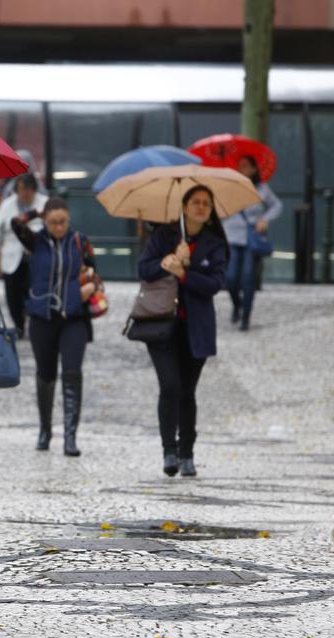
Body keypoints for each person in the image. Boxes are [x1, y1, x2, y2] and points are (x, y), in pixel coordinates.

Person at [137, 185, 228, 478]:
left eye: (206, 203)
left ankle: (187, 451)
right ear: (185, 206)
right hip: (161, 325)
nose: (201, 207)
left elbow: (214, 284)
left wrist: (185, 273)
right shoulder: (164, 235)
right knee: (170, 386)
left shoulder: (214, 244)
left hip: (196, 327)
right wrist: (168, 263)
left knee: (187, 391)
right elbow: (144, 269)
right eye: (195, 202)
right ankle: (169, 451)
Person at [11, 197, 94, 457]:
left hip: (74, 317)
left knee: (72, 372)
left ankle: (71, 436)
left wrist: (90, 287)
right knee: (46, 375)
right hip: (42, 318)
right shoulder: (35, 241)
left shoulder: (80, 241)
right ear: (45, 221)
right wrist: (37, 212)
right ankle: (45, 429)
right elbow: (15, 223)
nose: (59, 226)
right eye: (54, 222)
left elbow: (93, 271)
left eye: (63, 222)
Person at [222, 155, 282, 331]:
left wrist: (264, 219)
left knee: (248, 277)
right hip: (232, 236)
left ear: (254, 169)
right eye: (240, 166)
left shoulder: (262, 189)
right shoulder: (229, 187)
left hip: (252, 238)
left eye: (246, 166)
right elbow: (219, 210)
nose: (243, 169)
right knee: (230, 277)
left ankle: (246, 317)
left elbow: (277, 205)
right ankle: (237, 304)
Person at [0, 174, 47, 338]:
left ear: (34, 189)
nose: (24, 194)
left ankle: (34, 322)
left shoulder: (44, 204)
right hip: (11, 255)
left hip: (36, 255)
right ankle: (19, 325)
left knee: (33, 291)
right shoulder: (8, 205)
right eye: (20, 190)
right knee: (12, 294)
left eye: (27, 190)